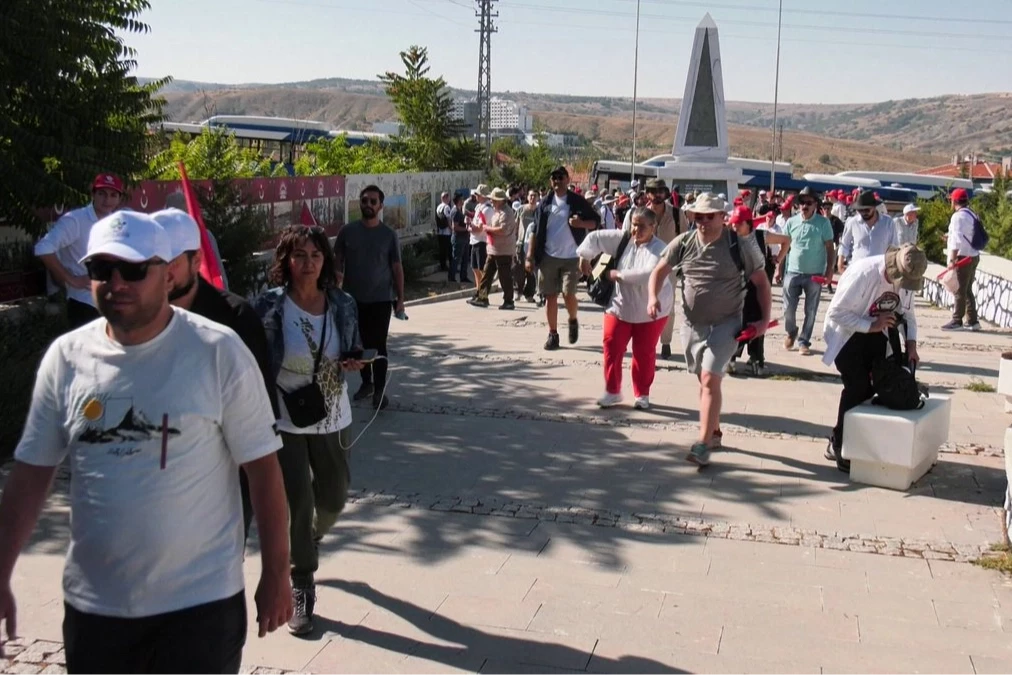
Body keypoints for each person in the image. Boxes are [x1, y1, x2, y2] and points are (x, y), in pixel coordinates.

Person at [0, 211, 292, 672]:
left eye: (134, 269)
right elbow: (32, 472)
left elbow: (264, 469)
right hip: (97, 609)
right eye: (101, 270)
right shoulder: (67, 358)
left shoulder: (219, 351)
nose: (117, 282)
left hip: (200, 607)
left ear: (167, 272)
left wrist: (276, 572)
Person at [253, 225, 364, 636]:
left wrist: (353, 361)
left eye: (315, 255)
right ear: (286, 260)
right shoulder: (269, 306)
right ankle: (302, 582)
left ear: (325, 260)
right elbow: (251, 354)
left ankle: (309, 537)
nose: (308, 263)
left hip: (333, 413)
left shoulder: (342, 303)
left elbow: (352, 346)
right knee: (297, 501)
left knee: (333, 497)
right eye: (299, 256)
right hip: (284, 418)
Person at [153, 208, 277, 541]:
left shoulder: (233, 319)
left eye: (171, 261)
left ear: (196, 261)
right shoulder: (137, 318)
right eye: (151, 262)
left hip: (219, 486)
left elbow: (261, 416)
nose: (160, 272)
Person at [648, 194, 771, 466]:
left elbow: (762, 283)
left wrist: (763, 321)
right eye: (699, 216)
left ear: (721, 216)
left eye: (710, 216)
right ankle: (713, 431)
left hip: (727, 323)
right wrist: (652, 297)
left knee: (709, 378)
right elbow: (659, 270)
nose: (703, 221)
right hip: (693, 325)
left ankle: (702, 444)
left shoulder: (737, 245)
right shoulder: (684, 242)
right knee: (703, 379)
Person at [822, 244, 926, 472]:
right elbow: (836, 313)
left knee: (875, 385)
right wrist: (871, 325)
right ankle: (840, 446)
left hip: (877, 333)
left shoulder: (907, 276)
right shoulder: (864, 273)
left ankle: (850, 438)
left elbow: (908, 314)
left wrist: (911, 344)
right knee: (856, 386)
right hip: (847, 333)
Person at [578, 207, 673, 410]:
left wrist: (617, 275)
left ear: (653, 227)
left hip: (651, 311)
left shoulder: (660, 248)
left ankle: (642, 394)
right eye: (634, 224)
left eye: (641, 226)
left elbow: (648, 274)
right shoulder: (622, 239)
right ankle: (612, 391)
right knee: (611, 346)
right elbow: (594, 237)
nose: (636, 230)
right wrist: (584, 257)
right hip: (619, 306)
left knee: (644, 353)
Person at [333, 185, 404, 411]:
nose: (369, 205)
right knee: (358, 343)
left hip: (381, 299)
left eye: (373, 201)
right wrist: (335, 287)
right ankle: (366, 383)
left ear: (381, 206)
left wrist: (400, 298)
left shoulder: (388, 235)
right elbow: (337, 261)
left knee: (379, 344)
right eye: (365, 201)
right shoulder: (348, 232)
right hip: (352, 300)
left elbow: (397, 267)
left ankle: (380, 391)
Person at [34, 173, 125, 329]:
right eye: (102, 194)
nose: (107, 200)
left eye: (112, 195)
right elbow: (43, 248)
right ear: (93, 194)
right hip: (85, 304)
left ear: (119, 199)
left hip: (111, 302)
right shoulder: (75, 220)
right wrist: (71, 279)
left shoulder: (116, 221)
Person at [525, 166, 601, 350]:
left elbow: (595, 222)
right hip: (548, 256)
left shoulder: (577, 201)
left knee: (568, 294)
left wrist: (581, 223)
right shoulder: (545, 203)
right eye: (553, 178)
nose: (557, 181)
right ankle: (553, 334)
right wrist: (529, 256)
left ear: (568, 180)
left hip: (571, 257)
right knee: (550, 296)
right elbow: (535, 230)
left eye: (560, 177)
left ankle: (572, 319)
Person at [624, 178, 685, 360]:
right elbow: (627, 239)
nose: (657, 195)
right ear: (647, 194)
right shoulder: (637, 214)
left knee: (667, 305)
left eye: (660, 192)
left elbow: (684, 239)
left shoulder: (676, 214)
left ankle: (665, 342)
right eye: (653, 191)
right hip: (643, 264)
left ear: (665, 194)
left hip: (669, 267)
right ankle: (644, 341)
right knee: (642, 303)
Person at [775, 187, 834, 356]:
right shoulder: (791, 222)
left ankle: (804, 341)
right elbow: (784, 247)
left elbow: (830, 248)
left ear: (815, 204)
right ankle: (791, 331)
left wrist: (829, 271)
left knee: (810, 310)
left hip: (814, 274)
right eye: (801, 202)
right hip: (792, 272)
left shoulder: (823, 223)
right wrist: (779, 268)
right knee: (788, 310)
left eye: (808, 203)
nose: (804, 206)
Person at [727, 207, 773, 377]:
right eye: (733, 224)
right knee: (735, 323)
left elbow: (786, 240)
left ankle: (756, 360)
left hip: (758, 286)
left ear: (748, 224)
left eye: (738, 224)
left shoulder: (761, 236)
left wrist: (778, 258)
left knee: (757, 323)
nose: (734, 227)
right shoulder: (730, 237)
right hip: (736, 286)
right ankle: (730, 359)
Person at [469, 188, 518, 310]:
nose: (491, 201)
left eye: (494, 200)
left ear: (500, 200)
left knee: (504, 276)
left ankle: (508, 300)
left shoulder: (506, 213)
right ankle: (482, 297)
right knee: (487, 273)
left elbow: (503, 230)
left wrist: (487, 228)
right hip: (493, 248)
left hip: (504, 250)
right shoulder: (497, 211)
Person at [941, 188, 982, 331]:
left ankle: (957, 320)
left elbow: (957, 241)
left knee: (959, 290)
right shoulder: (972, 214)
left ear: (954, 201)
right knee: (967, 289)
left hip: (962, 258)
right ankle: (972, 320)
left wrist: (952, 260)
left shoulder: (957, 217)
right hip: (974, 255)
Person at [838, 191, 898, 272]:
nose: (863, 213)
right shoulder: (853, 222)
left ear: (874, 207)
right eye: (860, 210)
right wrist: (840, 262)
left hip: (880, 270)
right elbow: (845, 244)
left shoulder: (888, 222)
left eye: (866, 210)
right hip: (857, 269)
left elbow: (894, 247)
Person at [467, 184, 495, 295]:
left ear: (483, 196)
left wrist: (471, 228)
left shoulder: (487, 209)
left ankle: (483, 294)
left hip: (482, 241)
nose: (476, 196)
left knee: (483, 269)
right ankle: (478, 291)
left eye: (478, 194)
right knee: (475, 268)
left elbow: (480, 228)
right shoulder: (479, 207)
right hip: (474, 240)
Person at [514, 189, 539, 303]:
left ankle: (529, 294)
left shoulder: (539, 212)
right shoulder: (521, 210)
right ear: (527, 197)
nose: (532, 198)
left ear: (538, 198)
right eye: (530, 195)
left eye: (534, 196)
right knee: (519, 269)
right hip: (520, 243)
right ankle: (517, 291)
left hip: (533, 245)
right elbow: (516, 225)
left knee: (531, 270)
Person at [449, 193, 470, 283]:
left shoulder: (460, 210)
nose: (463, 201)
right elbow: (455, 227)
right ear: (458, 201)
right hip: (458, 238)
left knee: (465, 259)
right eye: (461, 199)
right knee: (456, 259)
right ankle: (451, 277)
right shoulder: (455, 212)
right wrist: (466, 229)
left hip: (464, 238)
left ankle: (463, 277)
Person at [435, 191, 453, 276]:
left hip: (439, 231)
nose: (449, 199)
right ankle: (450, 266)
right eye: (448, 197)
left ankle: (443, 265)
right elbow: (448, 219)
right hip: (446, 232)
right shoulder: (446, 207)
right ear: (445, 198)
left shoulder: (438, 207)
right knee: (449, 250)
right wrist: (451, 229)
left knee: (442, 250)